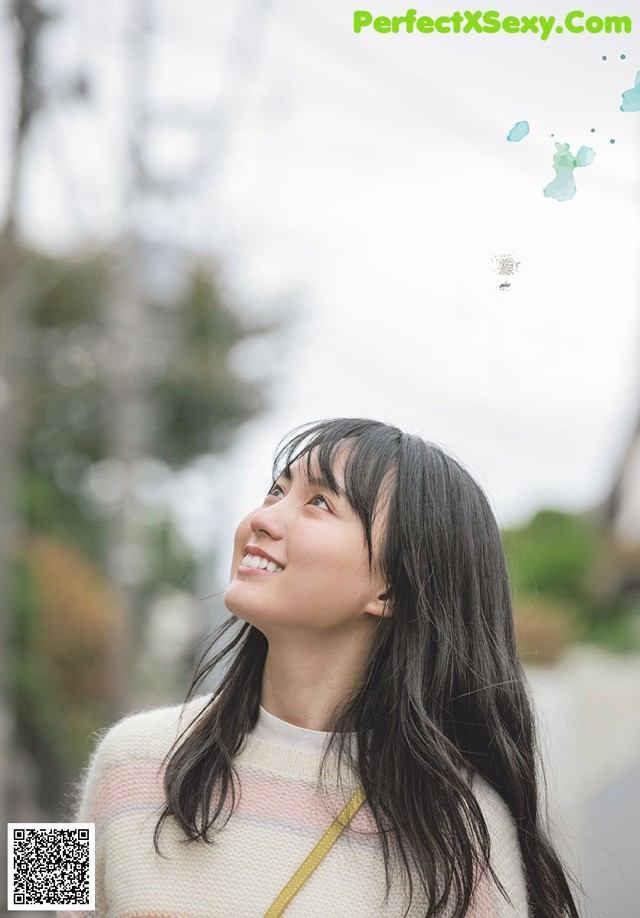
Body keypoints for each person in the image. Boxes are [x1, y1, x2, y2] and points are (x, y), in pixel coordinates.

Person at [61, 417, 581, 918]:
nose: (262, 519)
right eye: (276, 490)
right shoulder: (123, 752)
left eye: (318, 502)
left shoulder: (467, 828)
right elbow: (39, 907)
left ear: (392, 588)